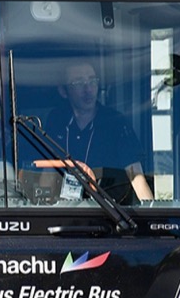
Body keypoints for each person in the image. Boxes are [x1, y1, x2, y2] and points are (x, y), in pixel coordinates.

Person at [45, 61, 154, 202]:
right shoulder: (57, 120)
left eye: (92, 81)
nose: (88, 89)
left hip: (109, 213)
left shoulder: (115, 122)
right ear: (63, 91)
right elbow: (48, 169)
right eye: (78, 83)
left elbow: (136, 175)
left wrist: (153, 216)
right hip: (66, 210)